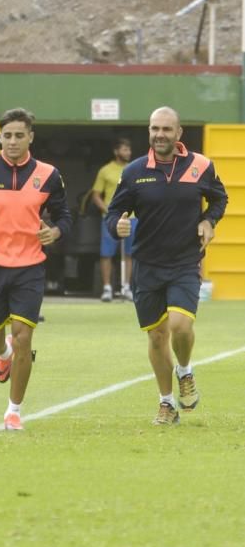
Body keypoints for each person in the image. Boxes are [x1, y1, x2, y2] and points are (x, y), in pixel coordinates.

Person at [106, 107, 228, 425]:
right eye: (154, 128)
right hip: (146, 266)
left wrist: (208, 220)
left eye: (166, 129)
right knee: (157, 337)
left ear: (179, 133)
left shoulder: (201, 166)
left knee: (180, 326)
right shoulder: (133, 172)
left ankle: (185, 371)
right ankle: (166, 403)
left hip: (185, 262)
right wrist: (115, 226)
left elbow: (219, 199)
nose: (159, 134)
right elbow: (112, 212)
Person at [0, 108, 72, 431]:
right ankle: (2, 354)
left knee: (24, 339)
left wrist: (55, 232)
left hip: (30, 269)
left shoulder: (48, 175)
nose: (12, 142)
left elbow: (65, 216)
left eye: (19, 135)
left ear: (30, 137)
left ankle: (13, 411)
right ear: (0, 137)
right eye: (7, 135)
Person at [83, 137, 136, 301]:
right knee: (107, 253)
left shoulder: (135, 169)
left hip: (132, 218)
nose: (128, 153)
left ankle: (127, 287)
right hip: (110, 218)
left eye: (129, 150)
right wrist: (108, 210)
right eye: (124, 149)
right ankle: (107, 288)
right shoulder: (105, 170)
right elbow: (96, 195)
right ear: (116, 151)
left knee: (130, 253)